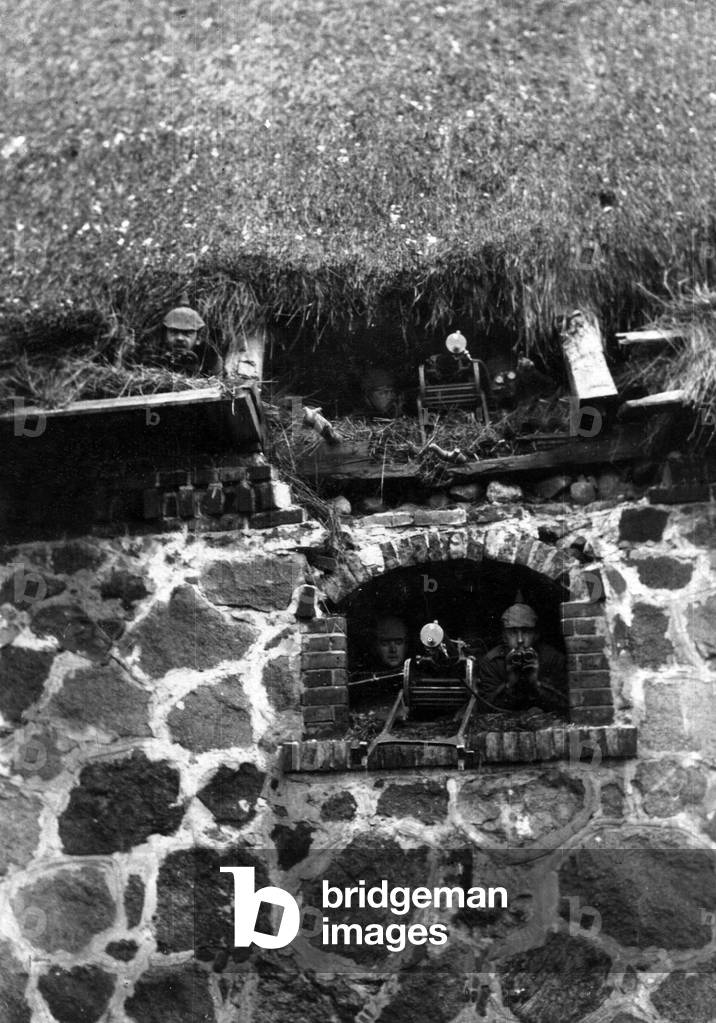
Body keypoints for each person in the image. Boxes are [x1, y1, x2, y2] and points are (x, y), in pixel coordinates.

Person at [477, 599, 567, 715]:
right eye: (513, 632)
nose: (520, 640)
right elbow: (486, 710)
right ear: (504, 636)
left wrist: (536, 684)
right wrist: (511, 683)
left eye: (526, 632)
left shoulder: (552, 658)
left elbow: (567, 705)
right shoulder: (492, 662)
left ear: (536, 634)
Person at [161, 299, 223, 376]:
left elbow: (215, 383)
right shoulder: (154, 353)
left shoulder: (210, 359)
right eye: (174, 331)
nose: (179, 338)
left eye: (187, 333)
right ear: (165, 335)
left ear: (198, 338)